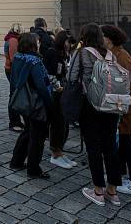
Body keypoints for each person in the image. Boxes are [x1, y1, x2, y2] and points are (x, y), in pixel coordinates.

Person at [69, 23, 123, 206]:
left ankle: (98, 190)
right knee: (110, 146)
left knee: (94, 146)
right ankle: (113, 191)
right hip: (110, 105)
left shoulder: (82, 52)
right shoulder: (109, 54)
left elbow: (72, 77)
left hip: (90, 104)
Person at [101, 25, 131, 196]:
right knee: (119, 143)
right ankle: (120, 175)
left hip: (122, 105)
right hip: (116, 104)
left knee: (127, 143)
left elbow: (124, 84)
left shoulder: (122, 56)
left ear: (109, 39)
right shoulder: (114, 54)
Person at [8, 32, 52, 179]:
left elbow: (14, 81)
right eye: (37, 42)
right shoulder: (34, 61)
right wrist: (49, 102)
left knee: (27, 131)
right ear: (32, 44)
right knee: (37, 136)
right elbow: (41, 86)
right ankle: (33, 169)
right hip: (35, 102)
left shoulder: (18, 58)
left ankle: (17, 161)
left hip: (23, 101)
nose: (39, 44)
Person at [43, 30, 76, 169]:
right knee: (57, 122)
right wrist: (58, 87)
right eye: (69, 42)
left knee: (63, 123)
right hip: (55, 93)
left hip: (62, 92)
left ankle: (60, 151)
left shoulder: (64, 54)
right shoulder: (53, 52)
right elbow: (48, 74)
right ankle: (55, 153)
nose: (70, 45)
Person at [3, 23, 23, 132]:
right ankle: (14, 122)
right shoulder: (13, 40)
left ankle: (16, 121)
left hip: (10, 68)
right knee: (14, 95)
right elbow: (14, 58)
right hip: (13, 70)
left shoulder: (11, 38)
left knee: (15, 94)